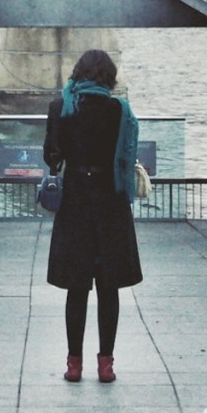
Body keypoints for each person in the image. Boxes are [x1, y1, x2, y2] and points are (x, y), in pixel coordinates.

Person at [43, 49, 142, 384]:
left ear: (79, 73)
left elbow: (51, 156)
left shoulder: (62, 106)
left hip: (75, 204)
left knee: (77, 287)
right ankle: (106, 364)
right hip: (111, 204)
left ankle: (74, 364)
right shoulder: (119, 110)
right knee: (108, 287)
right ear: (109, 77)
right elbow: (126, 155)